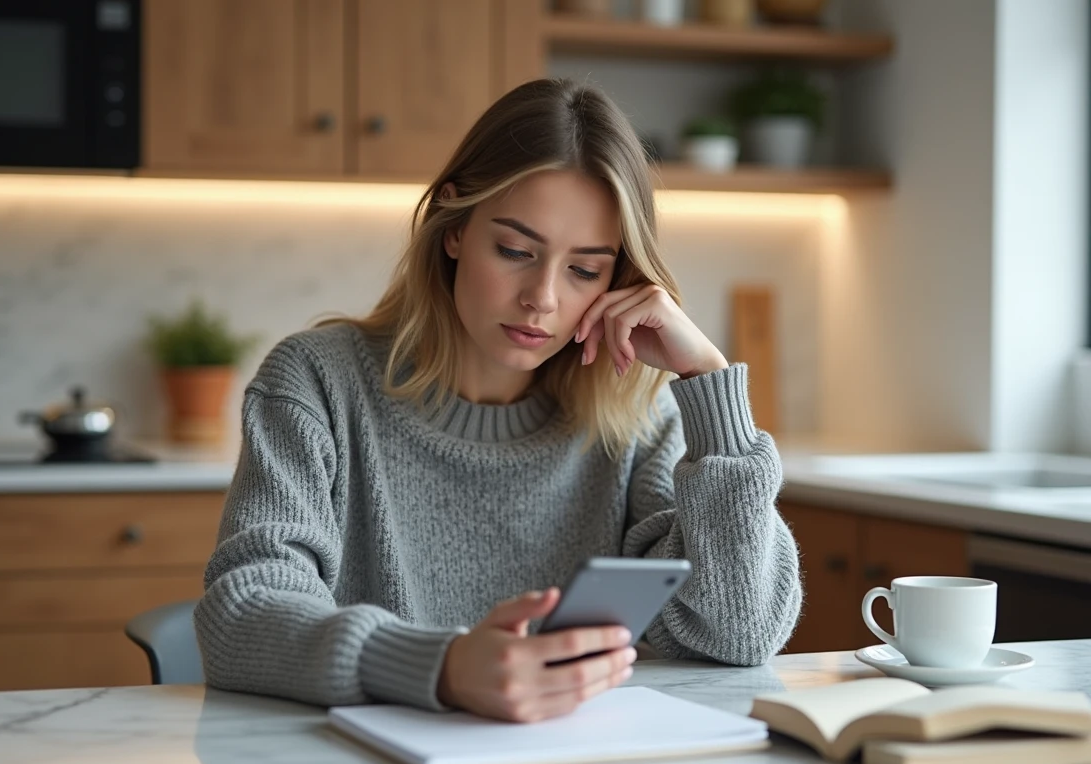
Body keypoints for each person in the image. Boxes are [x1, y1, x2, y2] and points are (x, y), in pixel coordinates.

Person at [194, 78, 802, 724]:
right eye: (515, 250)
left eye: (585, 270)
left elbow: (740, 633)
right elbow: (243, 612)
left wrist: (708, 382)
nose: (542, 298)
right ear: (454, 227)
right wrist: (444, 667)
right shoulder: (317, 383)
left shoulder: (632, 422)